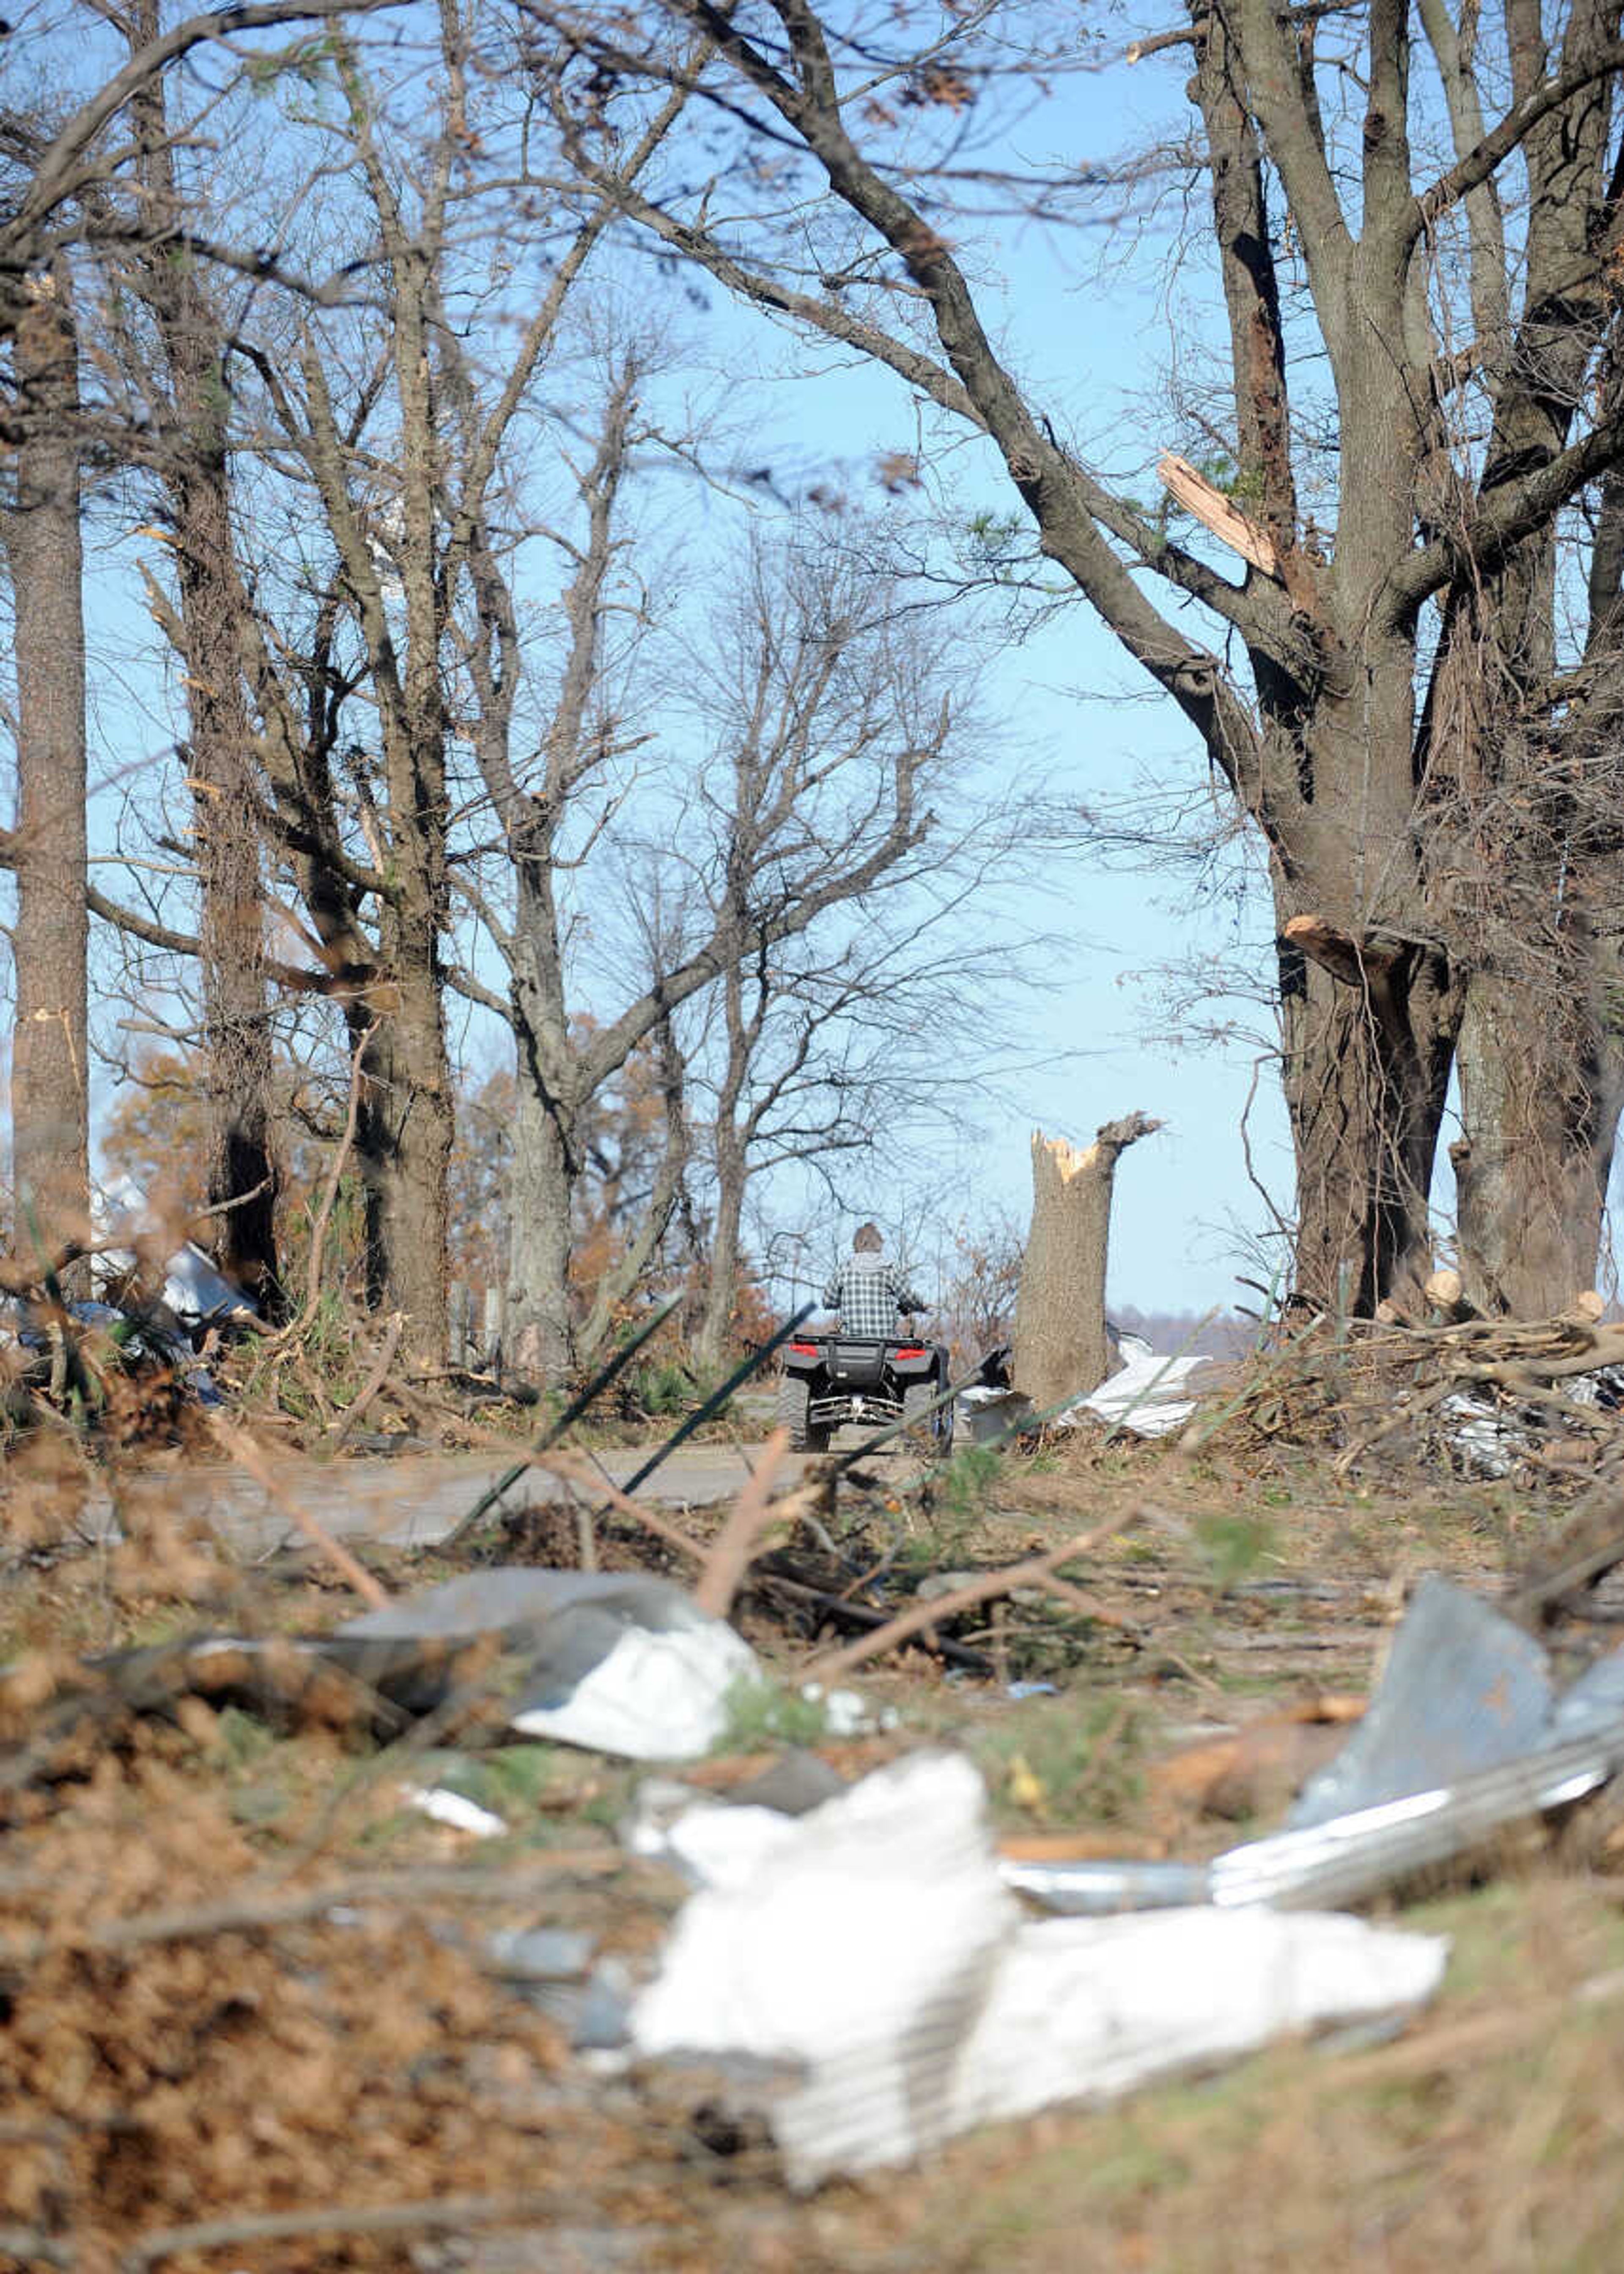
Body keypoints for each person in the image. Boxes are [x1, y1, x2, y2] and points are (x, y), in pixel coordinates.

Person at [823, 1222, 925, 1336]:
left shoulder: (843, 1270)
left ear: (856, 1244)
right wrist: (922, 1305)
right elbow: (909, 1299)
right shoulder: (889, 1270)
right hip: (886, 1344)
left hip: (850, 1343)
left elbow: (828, 1302)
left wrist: (844, 1299)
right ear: (879, 1244)